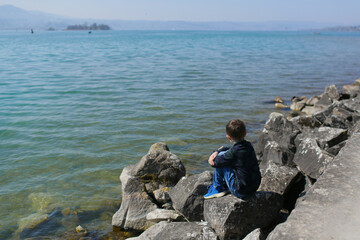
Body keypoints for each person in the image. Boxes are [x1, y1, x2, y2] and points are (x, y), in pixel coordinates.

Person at [204, 119, 261, 199]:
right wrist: (221, 149)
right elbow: (232, 150)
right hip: (254, 187)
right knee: (224, 155)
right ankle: (224, 185)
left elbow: (216, 163)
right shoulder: (249, 146)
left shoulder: (234, 152)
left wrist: (213, 155)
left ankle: (218, 188)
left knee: (221, 157)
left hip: (241, 191)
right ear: (245, 133)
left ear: (228, 137)